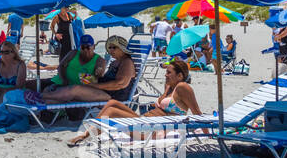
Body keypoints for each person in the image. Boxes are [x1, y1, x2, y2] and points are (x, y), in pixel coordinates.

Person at [68, 58, 202, 145]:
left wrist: (209, 133)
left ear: (180, 76)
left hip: (153, 130)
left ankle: (86, 136)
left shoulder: (183, 87)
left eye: (169, 72)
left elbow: (197, 112)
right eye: (166, 72)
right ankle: (87, 134)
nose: (165, 75)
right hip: (144, 121)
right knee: (112, 103)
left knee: (112, 111)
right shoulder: (168, 86)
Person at [38, 35, 136, 105]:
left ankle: (39, 97)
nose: (111, 50)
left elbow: (120, 84)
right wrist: (93, 79)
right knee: (71, 91)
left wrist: (96, 85)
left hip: (113, 96)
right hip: (106, 91)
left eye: (114, 47)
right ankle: (41, 102)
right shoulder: (116, 62)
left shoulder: (127, 62)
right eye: (109, 48)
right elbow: (105, 78)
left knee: (76, 89)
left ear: (122, 48)